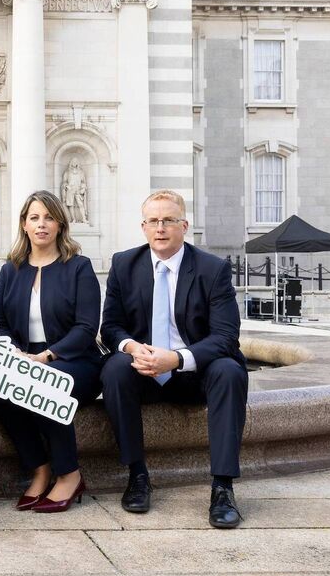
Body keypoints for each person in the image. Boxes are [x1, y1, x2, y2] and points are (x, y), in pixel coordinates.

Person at [99, 189, 248, 528]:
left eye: (168, 220)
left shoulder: (212, 269)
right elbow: (110, 327)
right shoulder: (124, 264)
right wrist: (132, 348)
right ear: (143, 227)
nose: (160, 228)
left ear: (184, 225)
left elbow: (226, 337)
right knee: (114, 369)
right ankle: (137, 475)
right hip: (144, 369)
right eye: (153, 221)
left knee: (229, 371)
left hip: (196, 372)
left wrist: (177, 359)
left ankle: (222, 487)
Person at [0, 190, 106, 513]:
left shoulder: (78, 267)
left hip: (75, 360)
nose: (41, 224)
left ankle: (69, 474)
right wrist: (13, 353)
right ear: (24, 225)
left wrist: (46, 357)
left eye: (48, 217)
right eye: (34, 218)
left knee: (44, 381)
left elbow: (86, 328)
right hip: (25, 357)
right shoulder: (10, 270)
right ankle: (40, 469)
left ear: (59, 224)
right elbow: (0, 323)